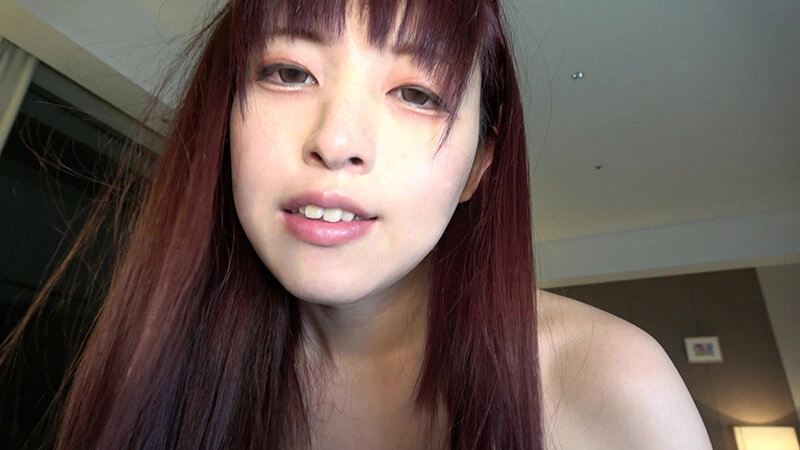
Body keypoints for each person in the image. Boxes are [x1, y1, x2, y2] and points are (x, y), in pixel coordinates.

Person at [5, 0, 712, 448]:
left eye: (416, 93)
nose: (336, 140)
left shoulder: (608, 385)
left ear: (478, 167)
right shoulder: (159, 363)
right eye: (289, 72)